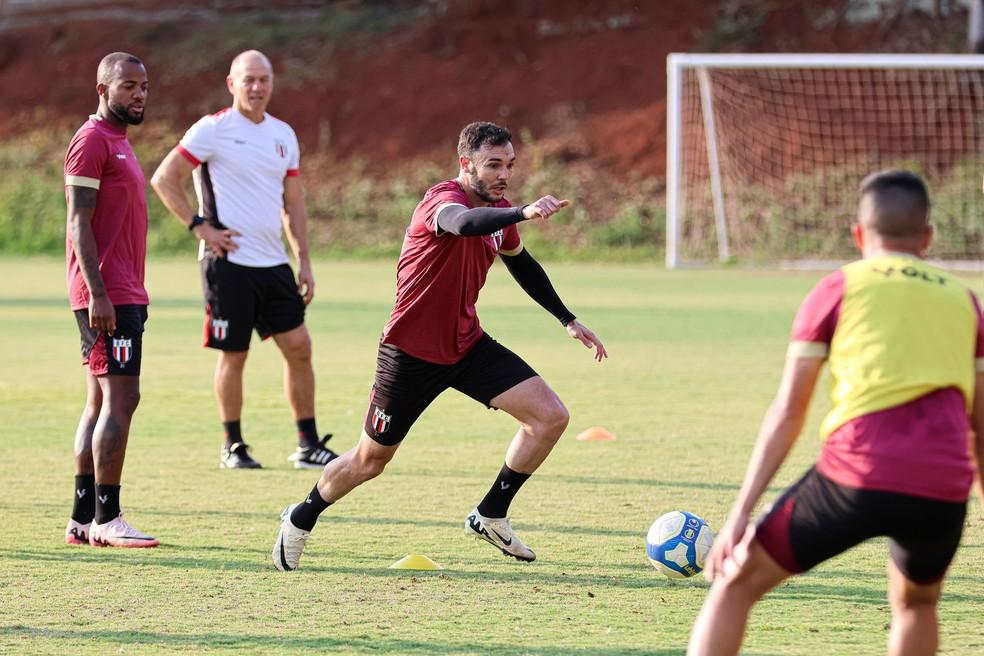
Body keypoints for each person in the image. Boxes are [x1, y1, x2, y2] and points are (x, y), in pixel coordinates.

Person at [270, 121, 607, 571]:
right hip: (408, 354)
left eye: (509, 165)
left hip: (466, 345)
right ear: (466, 164)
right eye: (493, 165)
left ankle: (491, 514)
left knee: (549, 417)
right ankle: (300, 516)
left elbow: (521, 263)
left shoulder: (500, 212)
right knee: (370, 461)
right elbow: (463, 223)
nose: (503, 174)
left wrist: (567, 318)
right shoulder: (443, 200)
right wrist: (522, 212)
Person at [687, 170, 984, 656]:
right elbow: (982, 427)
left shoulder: (838, 287)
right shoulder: (966, 301)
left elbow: (789, 410)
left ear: (859, 235)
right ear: (928, 237)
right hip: (942, 487)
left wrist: (740, 513)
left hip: (858, 475)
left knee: (736, 583)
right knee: (917, 604)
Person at [150, 50, 336, 470]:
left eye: (264, 79)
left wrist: (303, 259)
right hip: (226, 263)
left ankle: (308, 444)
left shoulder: (283, 134)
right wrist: (200, 226)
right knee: (234, 355)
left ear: (272, 83)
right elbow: (164, 178)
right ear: (231, 83)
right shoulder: (211, 130)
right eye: (248, 79)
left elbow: (294, 203)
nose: (257, 87)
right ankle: (233, 445)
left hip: (273, 263)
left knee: (300, 348)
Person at [63, 52, 159, 548]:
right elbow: (78, 220)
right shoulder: (92, 140)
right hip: (107, 295)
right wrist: (99, 293)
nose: (138, 94)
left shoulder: (118, 141)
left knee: (100, 400)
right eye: (127, 86)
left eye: (143, 86)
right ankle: (108, 516)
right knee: (122, 399)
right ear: (102, 89)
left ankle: (82, 517)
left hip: (121, 292)